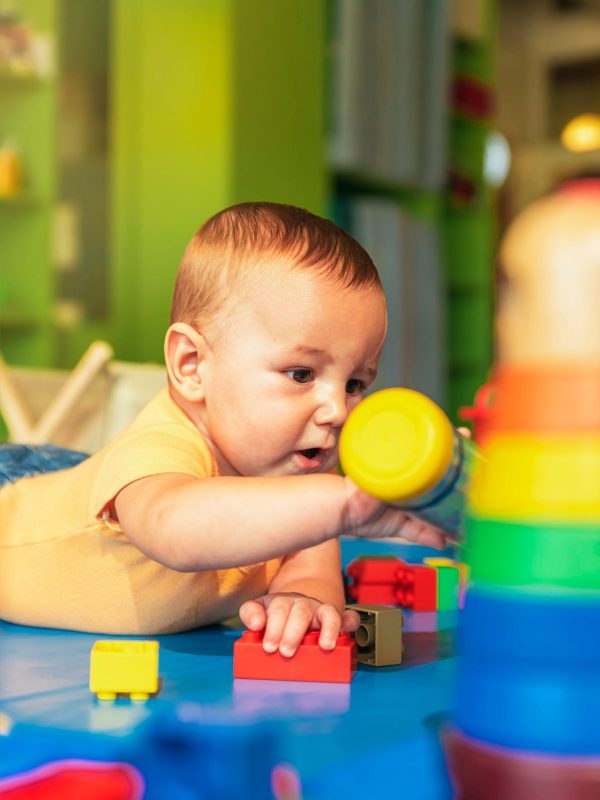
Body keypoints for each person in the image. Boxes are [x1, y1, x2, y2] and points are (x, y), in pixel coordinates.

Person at [0, 202, 446, 655]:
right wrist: (348, 506)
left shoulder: (303, 479)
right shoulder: (162, 446)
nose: (337, 410)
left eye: (355, 384)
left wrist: (302, 600)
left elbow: (312, 569)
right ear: (192, 366)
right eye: (301, 374)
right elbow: (173, 527)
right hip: (15, 498)